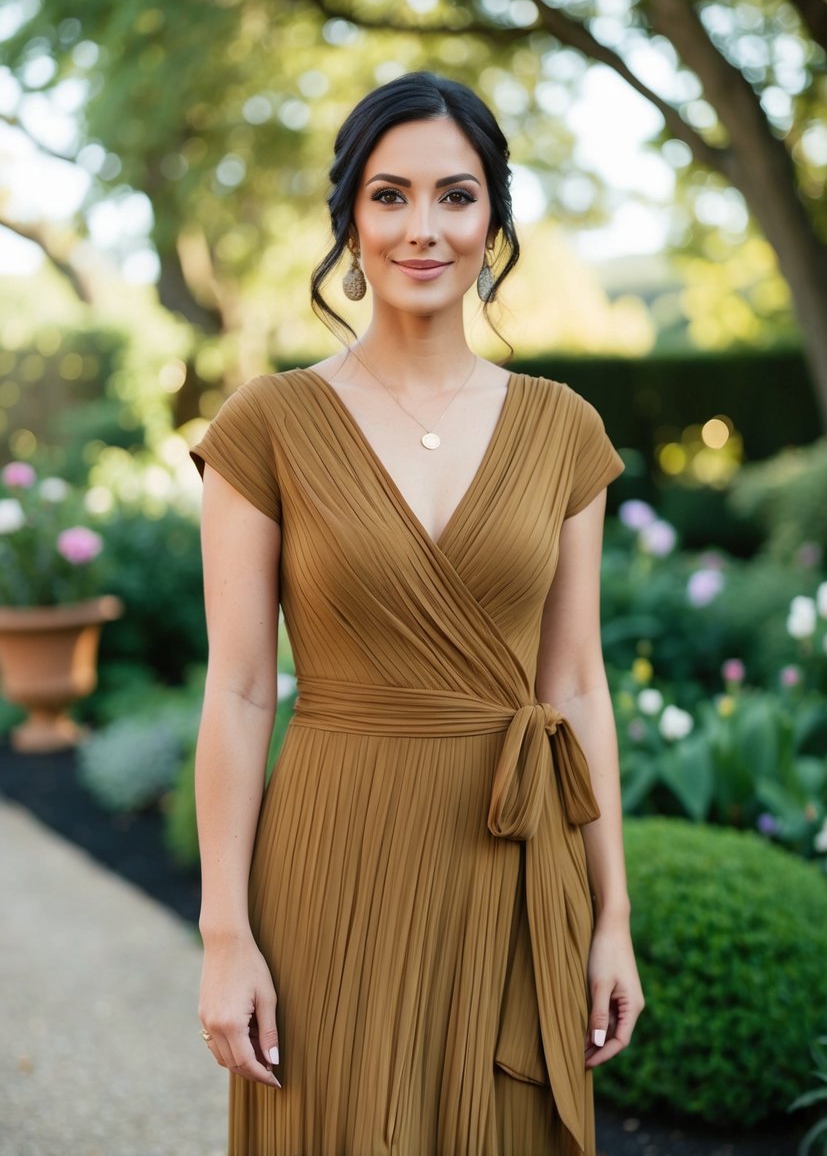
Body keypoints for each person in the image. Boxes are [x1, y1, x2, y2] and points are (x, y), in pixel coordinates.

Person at [190, 70, 644, 1156]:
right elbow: (243, 687)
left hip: (514, 856)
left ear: (494, 219)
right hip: (333, 855)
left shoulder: (562, 428)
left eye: (456, 195)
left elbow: (573, 683)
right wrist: (222, 932)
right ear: (350, 217)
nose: (422, 228)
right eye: (390, 196)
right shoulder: (269, 424)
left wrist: (611, 917)